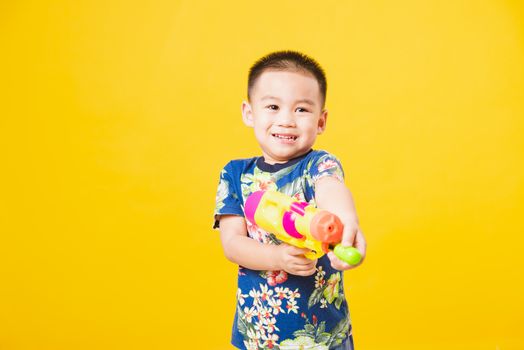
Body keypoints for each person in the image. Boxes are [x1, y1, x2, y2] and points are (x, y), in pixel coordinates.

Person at [213, 50, 366, 350]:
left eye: (301, 110)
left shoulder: (318, 166)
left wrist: (347, 222)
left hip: (325, 335)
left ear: (321, 121)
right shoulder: (234, 174)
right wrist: (277, 258)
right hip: (258, 335)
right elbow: (232, 244)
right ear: (249, 113)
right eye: (272, 106)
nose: (286, 120)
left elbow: (331, 189)